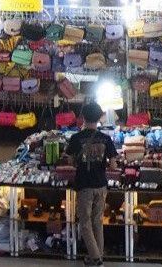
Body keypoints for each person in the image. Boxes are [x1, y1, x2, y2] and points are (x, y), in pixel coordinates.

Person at [65, 103, 119, 267]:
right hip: (101, 185)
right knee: (97, 222)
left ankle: (96, 258)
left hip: (85, 185)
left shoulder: (76, 138)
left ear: (83, 117)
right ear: (99, 117)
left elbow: (70, 161)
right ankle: (97, 256)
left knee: (85, 223)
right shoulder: (106, 138)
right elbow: (113, 166)